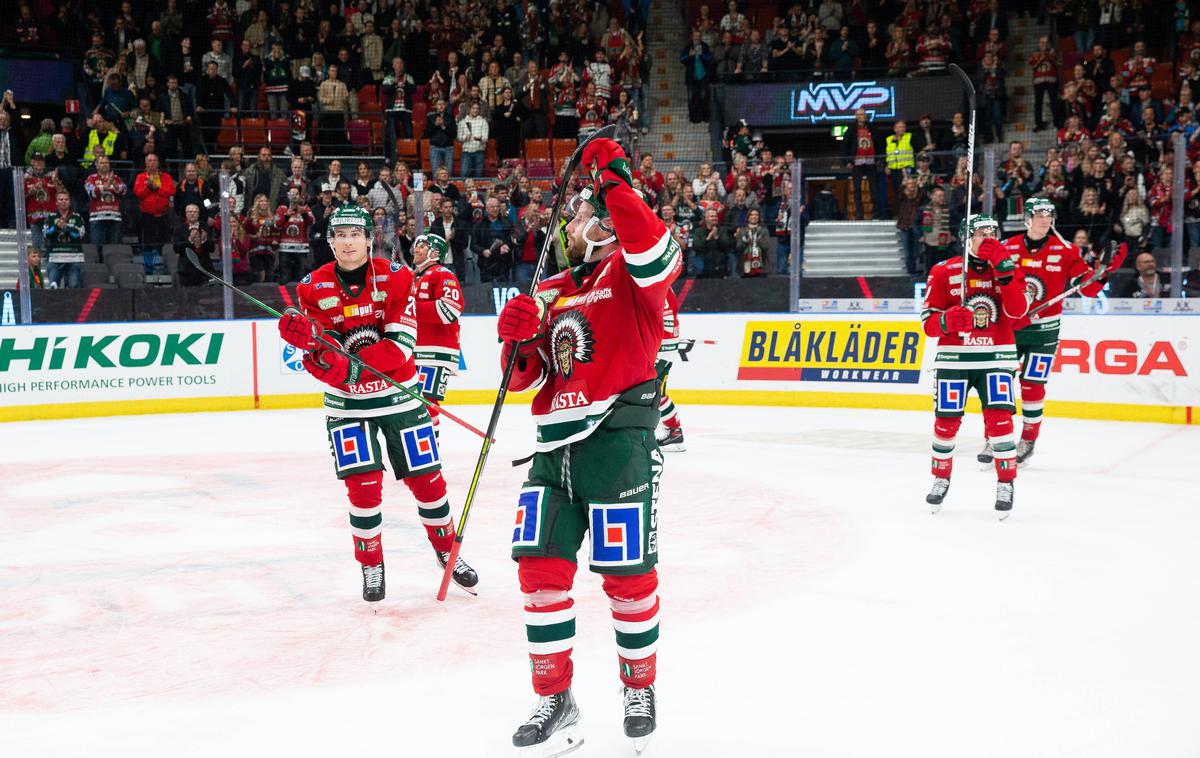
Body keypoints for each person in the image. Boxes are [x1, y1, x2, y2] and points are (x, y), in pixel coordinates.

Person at [499, 137, 678, 754]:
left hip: (617, 443)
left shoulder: (634, 272)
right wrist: (519, 339)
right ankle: (555, 695)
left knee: (629, 578)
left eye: (582, 212)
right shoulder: (550, 287)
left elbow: (653, 246)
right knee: (539, 572)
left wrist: (614, 176)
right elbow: (525, 377)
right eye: (574, 212)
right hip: (554, 450)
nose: (572, 221)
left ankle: (639, 685)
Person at [277, 205, 479, 603]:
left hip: (401, 399)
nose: (348, 241)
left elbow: (400, 349)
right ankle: (371, 563)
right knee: (362, 489)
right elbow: (319, 355)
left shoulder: (396, 276)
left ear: (369, 239)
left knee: (428, 482)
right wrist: (310, 343)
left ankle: (447, 552)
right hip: (347, 409)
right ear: (330, 241)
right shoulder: (312, 286)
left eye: (355, 234)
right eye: (340, 235)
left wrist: (346, 370)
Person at [978, 198, 1126, 466]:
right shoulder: (1007, 247)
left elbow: (1088, 288)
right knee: (998, 384)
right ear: (1028, 217)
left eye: (1049, 214)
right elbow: (990, 282)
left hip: (1044, 332)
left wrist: (1103, 272)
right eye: (1040, 214)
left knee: (1032, 386)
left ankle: (1028, 439)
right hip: (1009, 328)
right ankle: (994, 436)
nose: (1045, 219)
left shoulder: (1066, 250)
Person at [921, 214, 1026, 518]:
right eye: (980, 233)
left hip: (997, 356)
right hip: (955, 358)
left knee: (1000, 424)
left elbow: (1018, 314)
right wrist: (946, 320)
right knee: (946, 424)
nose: (987, 238)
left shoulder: (1008, 267)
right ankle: (941, 478)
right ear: (966, 237)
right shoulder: (944, 270)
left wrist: (1006, 276)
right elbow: (928, 324)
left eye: (993, 232)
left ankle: (1006, 483)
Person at [408, 232, 463, 436]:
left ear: (434, 252)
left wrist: (410, 307)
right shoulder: (412, 277)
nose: (417, 248)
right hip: (412, 350)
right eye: (417, 244)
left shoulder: (443, 274)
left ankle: (431, 454)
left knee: (426, 406)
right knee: (410, 405)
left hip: (435, 352)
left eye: (422, 245)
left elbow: (449, 310)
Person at [133, 154, 176, 272]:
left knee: (164, 240)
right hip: (147, 215)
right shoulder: (141, 177)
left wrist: (157, 188)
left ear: (158, 163)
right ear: (146, 163)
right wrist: (148, 188)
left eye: (154, 160)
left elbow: (171, 191)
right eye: (150, 160)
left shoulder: (166, 177)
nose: (152, 163)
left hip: (163, 214)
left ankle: (164, 265)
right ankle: (148, 267)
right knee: (147, 242)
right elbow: (138, 193)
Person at [656, 287, 686, 451]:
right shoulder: (664, 282)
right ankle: (674, 432)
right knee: (657, 391)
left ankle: (674, 433)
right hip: (666, 344)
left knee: (648, 390)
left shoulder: (654, 282)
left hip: (660, 345)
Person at [84, 155, 128, 264]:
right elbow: (91, 193)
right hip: (97, 217)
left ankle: (113, 267)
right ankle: (98, 267)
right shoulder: (91, 178)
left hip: (114, 217)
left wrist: (114, 185)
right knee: (96, 245)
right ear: (97, 165)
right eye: (102, 163)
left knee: (114, 246)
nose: (104, 165)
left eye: (106, 163)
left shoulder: (116, 178)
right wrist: (105, 186)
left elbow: (124, 191)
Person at [43, 192, 86, 289]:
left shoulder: (77, 217)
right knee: (53, 287)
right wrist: (56, 227)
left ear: (70, 202)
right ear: (56, 202)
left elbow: (80, 235)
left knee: (74, 286)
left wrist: (67, 228)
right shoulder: (50, 217)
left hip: (74, 257)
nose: (63, 202)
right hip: (55, 257)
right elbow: (46, 234)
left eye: (66, 199)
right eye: (61, 199)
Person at [274, 190, 315, 283]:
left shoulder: (305, 208)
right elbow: (276, 224)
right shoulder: (282, 209)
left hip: (301, 248)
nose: (294, 196)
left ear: (300, 196)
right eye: (292, 194)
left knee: (301, 278)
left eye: (296, 194)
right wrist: (286, 216)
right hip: (285, 248)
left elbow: (312, 221)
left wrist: (304, 214)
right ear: (288, 195)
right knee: (284, 278)